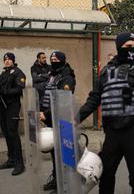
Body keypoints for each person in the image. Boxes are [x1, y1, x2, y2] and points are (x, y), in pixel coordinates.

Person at [79, 32, 134, 194]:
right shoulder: (106, 72)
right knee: (106, 173)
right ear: (119, 47)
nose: (131, 49)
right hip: (112, 133)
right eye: (127, 46)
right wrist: (75, 119)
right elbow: (94, 99)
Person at [39, 51, 76, 191]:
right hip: (50, 118)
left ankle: (65, 183)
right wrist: (42, 111)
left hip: (62, 119)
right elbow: (47, 96)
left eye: (56, 59)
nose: (53, 61)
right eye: (52, 59)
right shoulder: (52, 75)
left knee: (62, 154)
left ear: (62, 60)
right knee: (54, 152)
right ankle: (57, 179)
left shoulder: (67, 77)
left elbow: (62, 100)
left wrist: (46, 114)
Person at [0, 52, 26, 175]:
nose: (7, 61)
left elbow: (19, 89)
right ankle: (11, 159)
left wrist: (5, 91)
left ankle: (19, 163)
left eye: (9, 59)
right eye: (5, 60)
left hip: (13, 106)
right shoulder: (3, 73)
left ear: (13, 60)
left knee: (13, 132)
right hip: (3, 107)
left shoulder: (18, 73)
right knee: (6, 132)